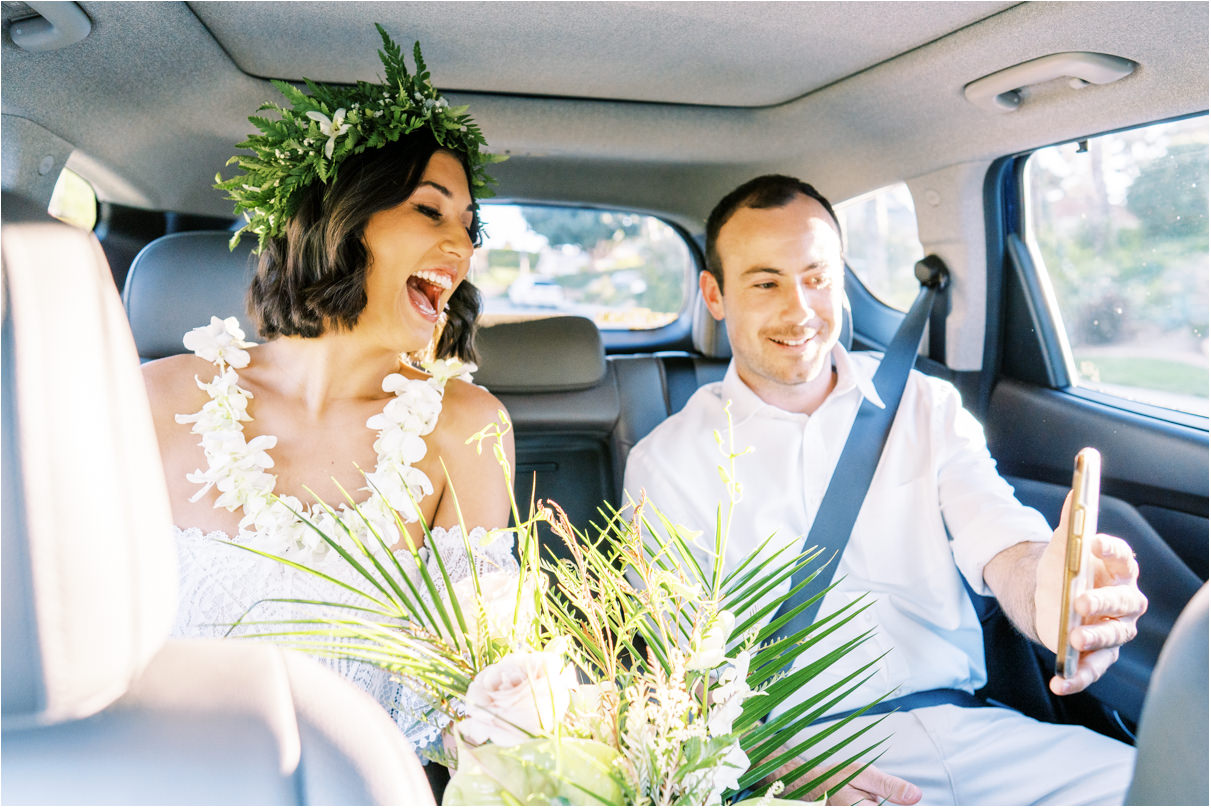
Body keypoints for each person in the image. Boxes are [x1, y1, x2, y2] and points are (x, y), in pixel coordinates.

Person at [623, 174, 1148, 805]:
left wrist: (1057, 598)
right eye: (765, 283)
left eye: (817, 277)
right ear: (715, 294)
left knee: (1165, 782)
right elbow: (682, 669)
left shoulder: (924, 402)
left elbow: (1002, 541)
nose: (799, 310)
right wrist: (777, 762)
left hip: (975, 732)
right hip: (799, 757)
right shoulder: (667, 463)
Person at [142, 29, 515, 755]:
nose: (463, 248)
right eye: (430, 211)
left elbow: (477, 701)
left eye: (469, 227)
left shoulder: (468, 427)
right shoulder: (151, 401)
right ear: (339, 219)